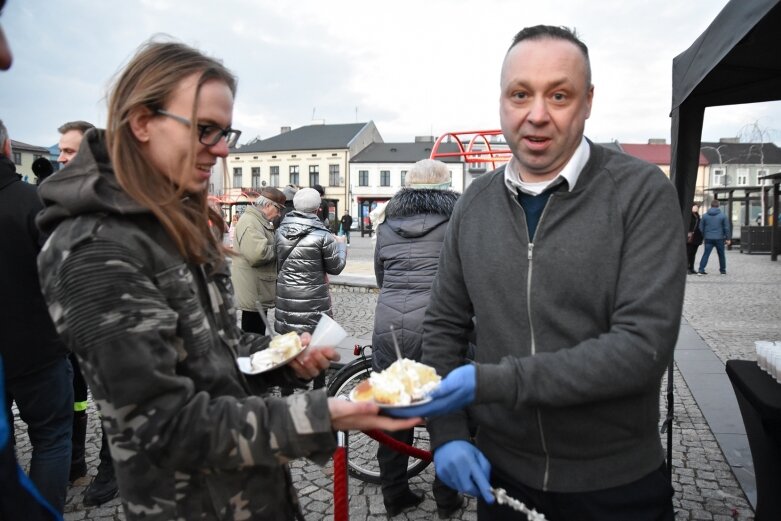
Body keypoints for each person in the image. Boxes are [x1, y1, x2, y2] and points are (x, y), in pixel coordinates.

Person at [35, 40, 418, 520]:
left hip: (248, 491)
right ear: (141, 123)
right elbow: (164, 426)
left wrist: (278, 358)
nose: (220, 149)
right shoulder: (97, 246)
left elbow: (210, 348)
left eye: (225, 132)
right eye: (204, 130)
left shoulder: (167, 213)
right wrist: (324, 415)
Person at [393, 25, 686, 521]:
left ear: (588, 101)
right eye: (520, 94)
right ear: (503, 101)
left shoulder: (640, 194)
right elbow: (443, 326)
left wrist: (492, 382)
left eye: (559, 94)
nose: (537, 114)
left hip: (615, 482)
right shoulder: (473, 205)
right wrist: (446, 435)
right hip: (503, 476)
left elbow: (643, 346)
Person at [371, 159, 463, 518]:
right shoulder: (458, 222)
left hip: (390, 327)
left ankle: (395, 494)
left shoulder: (387, 224)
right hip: (442, 330)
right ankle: (447, 498)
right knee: (447, 412)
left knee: (395, 412)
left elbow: (381, 276)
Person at [1, 116, 73, 515]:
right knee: (51, 438)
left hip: (31, 346)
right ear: (8, 149)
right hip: (36, 347)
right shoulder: (32, 202)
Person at [55, 119, 120, 506]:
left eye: (69, 151)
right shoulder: (54, 200)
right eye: (59, 150)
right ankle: (73, 462)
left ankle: (111, 473)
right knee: (75, 397)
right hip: (63, 329)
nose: (61, 158)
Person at [275, 187, 347, 389]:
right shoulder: (323, 236)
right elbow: (336, 267)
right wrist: (341, 246)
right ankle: (317, 391)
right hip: (314, 300)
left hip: (287, 298)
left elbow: (278, 263)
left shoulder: (279, 232)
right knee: (318, 345)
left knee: (289, 348)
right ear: (317, 209)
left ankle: (287, 393)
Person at [231, 187, 286, 334]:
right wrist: (280, 247)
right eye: (278, 209)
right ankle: (250, 357)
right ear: (268, 205)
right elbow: (258, 255)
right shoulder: (250, 222)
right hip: (253, 289)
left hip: (257, 288)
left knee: (256, 331)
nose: (279, 214)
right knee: (253, 333)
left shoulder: (257, 220)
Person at [697, 199, 731, 275]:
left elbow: (700, 227)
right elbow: (726, 228)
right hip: (719, 238)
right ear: (718, 205)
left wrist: (705, 235)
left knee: (706, 254)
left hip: (708, 238)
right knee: (721, 254)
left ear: (711, 205)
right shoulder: (723, 216)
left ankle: (701, 270)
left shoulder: (705, 216)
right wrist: (728, 238)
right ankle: (723, 271)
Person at [687, 203, 703, 274]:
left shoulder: (697, 216)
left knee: (693, 253)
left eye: (697, 207)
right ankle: (687, 268)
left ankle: (692, 268)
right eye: (695, 207)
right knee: (688, 253)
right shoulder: (689, 216)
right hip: (690, 237)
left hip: (696, 237)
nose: (696, 208)